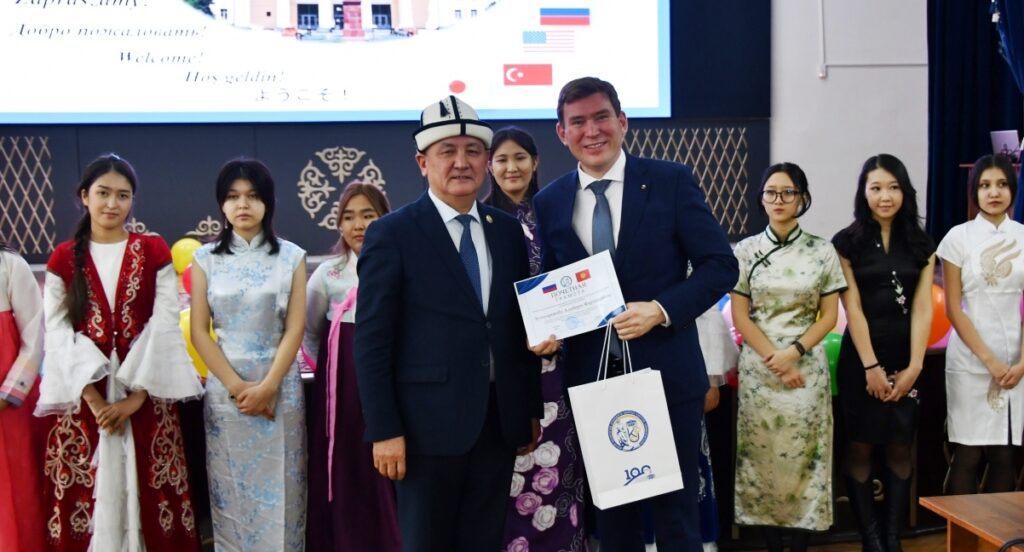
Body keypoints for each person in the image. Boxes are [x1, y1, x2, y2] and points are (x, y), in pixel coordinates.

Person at [531, 76, 738, 551]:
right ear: (562, 133)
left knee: (676, 517)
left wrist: (662, 310)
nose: (592, 131)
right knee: (613, 521)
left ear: (622, 122)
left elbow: (720, 266)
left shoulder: (670, 181)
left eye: (601, 117)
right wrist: (546, 329)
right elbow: (552, 284)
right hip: (593, 384)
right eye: (577, 122)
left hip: (667, 376)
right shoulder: (550, 201)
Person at [354, 96, 543, 552]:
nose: (462, 162)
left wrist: (528, 407)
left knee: (484, 541)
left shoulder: (505, 230)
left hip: (498, 422)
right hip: (424, 430)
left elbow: (514, 325)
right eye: (447, 152)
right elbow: (373, 341)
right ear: (423, 163)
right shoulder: (392, 233)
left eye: (473, 151)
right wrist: (384, 429)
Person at [36, 153, 204, 551]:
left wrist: (137, 397)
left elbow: (165, 324)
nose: (112, 203)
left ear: (132, 201)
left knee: (153, 498)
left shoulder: (153, 250)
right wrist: (95, 400)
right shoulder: (63, 258)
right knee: (86, 500)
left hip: (147, 394)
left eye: (123, 195)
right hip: (84, 401)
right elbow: (57, 332)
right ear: (84, 196)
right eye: (103, 193)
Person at [190, 158, 307, 551]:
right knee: (232, 498)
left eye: (253, 196)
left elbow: (295, 329)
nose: (243, 204)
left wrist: (268, 386)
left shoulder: (292, 257)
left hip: (280, 391)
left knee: (284, 496)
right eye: (233, 196)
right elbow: (200, 332)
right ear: (221, 204)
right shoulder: (205, 259)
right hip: (228, 396)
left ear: (267, 202)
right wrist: (239, 388)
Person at [730, 163, 846, 551]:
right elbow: (740, 316)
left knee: (804, 458)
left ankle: (799, 545)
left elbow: (829, 316)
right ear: (762, 198)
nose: (778, 200)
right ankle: (770, 544)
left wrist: (793, 353)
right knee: (761, 461)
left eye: (788, 192)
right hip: (760, 372)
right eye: (771, 192)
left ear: (802, 198)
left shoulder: (822, 250)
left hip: (805, 368)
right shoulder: (745, 250)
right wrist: (774, 359)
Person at [485, 126, 587, 551]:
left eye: (520, 158)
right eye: (502, 159)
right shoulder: (482, 222)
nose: (512, 167)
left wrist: (562, 332)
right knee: (506, 471)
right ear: (489, 166)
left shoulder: (555, 216)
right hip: (504, 364)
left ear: (535, 161)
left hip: (555, 365)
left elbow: (578, 284)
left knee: (559, 467)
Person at [832, 154, 935, 552]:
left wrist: (915, 366)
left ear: (905, 191)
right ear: (864, 192)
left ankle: (893, 539)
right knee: (859, 447)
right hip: (861, 361)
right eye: (876, 188)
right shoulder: (847, 242)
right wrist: (871, 367)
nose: (885, 196)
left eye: (893, 187)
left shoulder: (921, 243)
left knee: (899, 446)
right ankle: (871, 541)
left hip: (907, 360)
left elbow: (923, 308)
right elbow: (853, 308)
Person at [303, 182, 399, 551]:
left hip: (392, 386)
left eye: (368, 215)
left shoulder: (402, 266)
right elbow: (310, 332)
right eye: (349, 217)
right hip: (341, 391)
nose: (358, 225)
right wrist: (334, 371)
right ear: (339, 224)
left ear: (384, 218)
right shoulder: (328, 275)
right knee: (347, 466)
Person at [937, 154, 1024, 494]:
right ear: (974, 191)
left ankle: (995, 529)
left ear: (1013, 189)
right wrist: (990, 361)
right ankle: (958, 528)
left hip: (1015, 362)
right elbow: (953, 309)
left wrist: (1021, 364)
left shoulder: (1023, 236)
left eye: (1001, 184)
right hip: (971, 360)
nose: (994, 193)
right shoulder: (957, 238)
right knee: (968, 453)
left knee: (1005, 455)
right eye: (985, 185)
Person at [0, 241, 46, 551]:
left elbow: (35, 335)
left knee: (17, 492)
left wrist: (9, 394)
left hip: (9, 406)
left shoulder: (10, 265)